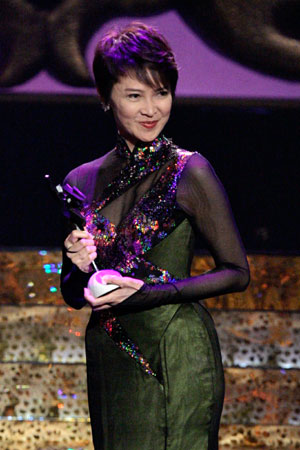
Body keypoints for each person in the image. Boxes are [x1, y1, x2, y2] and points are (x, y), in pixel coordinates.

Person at [60, 22, 250, 450]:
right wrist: (74, 264)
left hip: (176, 344)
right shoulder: (80, 180)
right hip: (111, 351)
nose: (151, 109)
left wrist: (150, 293)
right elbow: (74, 295)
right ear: (105, 98)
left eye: (161, 92)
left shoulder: (189, 170)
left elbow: (237, 272)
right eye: (134, 95)